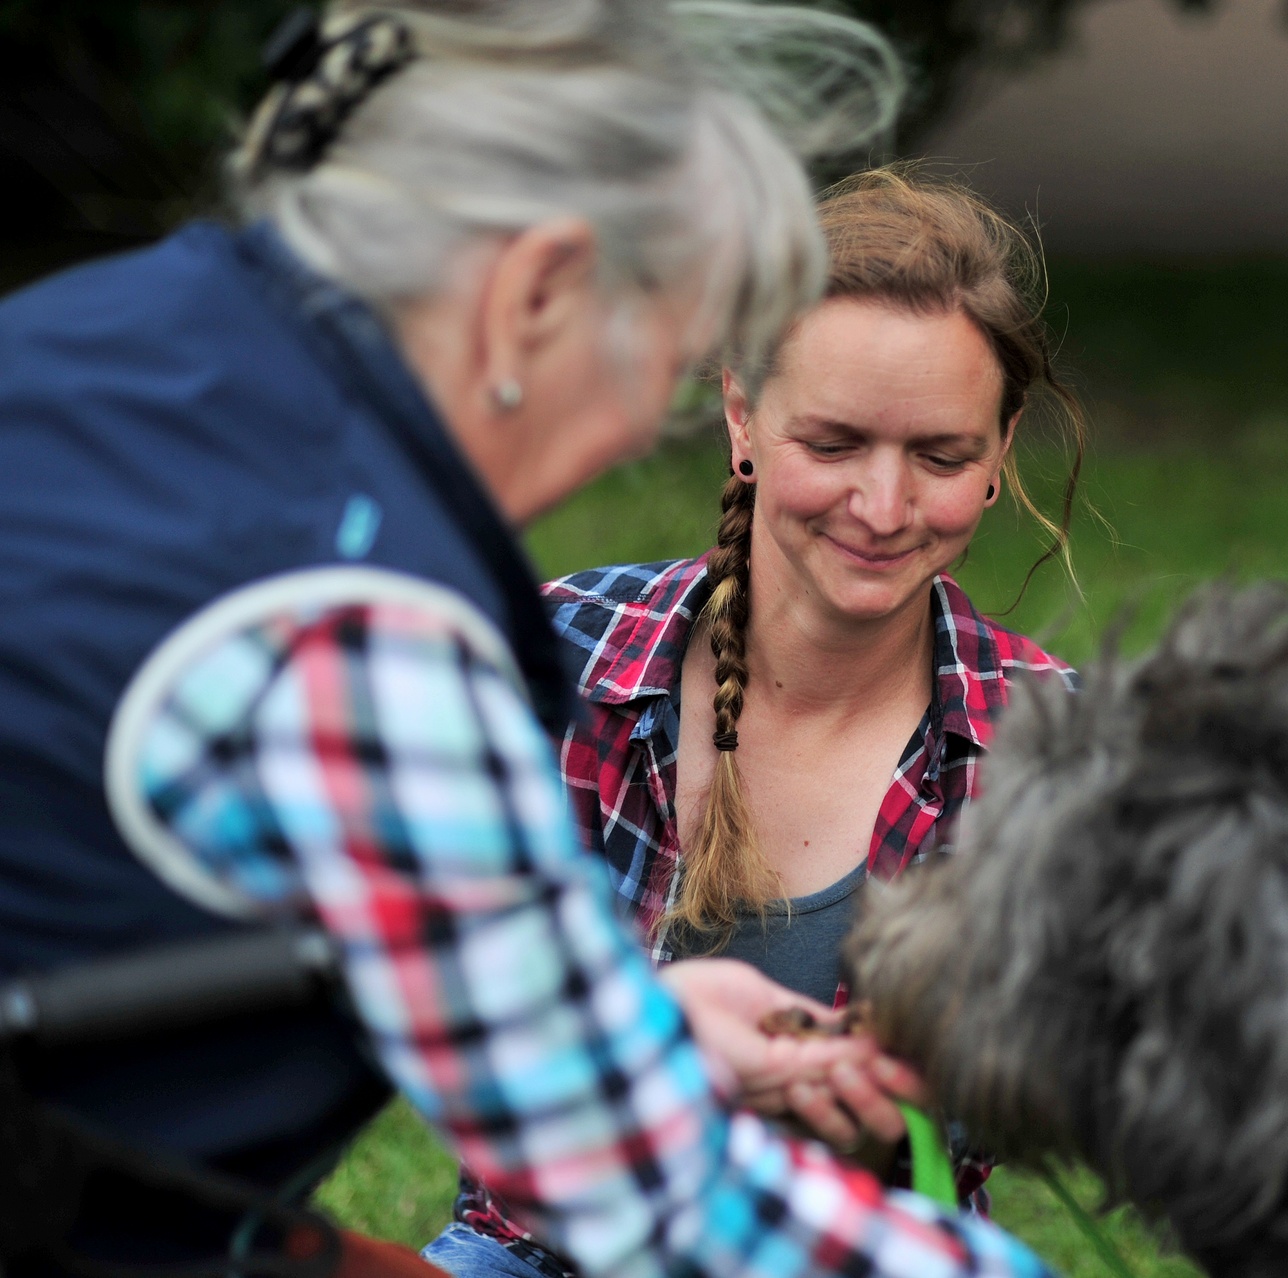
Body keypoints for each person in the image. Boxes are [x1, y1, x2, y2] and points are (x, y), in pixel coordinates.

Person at [0, 4, 1049, 1278]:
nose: (637, 433)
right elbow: (650, 1190)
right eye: (660, 362)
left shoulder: (96, 335)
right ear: (536, 291)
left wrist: (640, 1029)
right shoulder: (365, 624)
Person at [434, 167, 1088, 1278]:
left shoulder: (1053, 746)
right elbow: (438, 1004)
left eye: (941, 456)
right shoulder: (561, 657)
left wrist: (899, 1114)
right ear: (742, 414)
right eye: (832, 445)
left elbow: (1057, 1094)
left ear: (1000, 450)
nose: (883, 508)